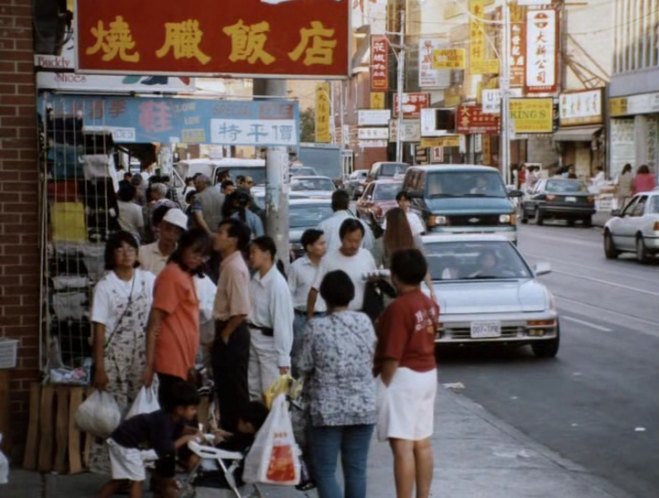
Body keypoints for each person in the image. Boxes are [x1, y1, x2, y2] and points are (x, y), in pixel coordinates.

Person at [298, 270, 377, 498]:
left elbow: (303, 365)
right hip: (363, 406)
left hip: (327, 410)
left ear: (324, 296)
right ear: (351, 295)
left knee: (325, 471)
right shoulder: (364, 322)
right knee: (356, 470)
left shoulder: (315, 327)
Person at [89, 231, 156, 475]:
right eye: (120, 249)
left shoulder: (148, 280)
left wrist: (151, 362)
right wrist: (99, 367)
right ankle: (116, 473)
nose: (126, 253)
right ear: (112, 255)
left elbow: (154, 324)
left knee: (141, 415)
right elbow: (99, 329)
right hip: (114, 358)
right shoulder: (105, 287)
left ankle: (138, 471)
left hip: (141, 357)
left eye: (131, 248)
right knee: (114, 418)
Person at [375, 249, 439, 498]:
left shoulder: (399, 308)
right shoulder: (428, 303)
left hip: (403, 377)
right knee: (422, 441)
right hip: (427, 373)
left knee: (401, 444)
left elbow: (392, 355)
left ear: (395, 276)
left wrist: (383, 385)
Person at [143, 228, 212, 408]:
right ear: (183, 248)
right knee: (174, 416)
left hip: (182, 359)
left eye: (202, 255)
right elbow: (154, 323)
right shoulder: (172, 275)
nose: (198, 259)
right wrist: (149, 365)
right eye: (195, 252)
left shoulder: (185, 274)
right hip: (171, 359)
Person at [98, 381, 201, 498]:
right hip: (126, 444)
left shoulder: (171, 418)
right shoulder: (163, 422)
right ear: (180, 409)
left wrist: (189, 431)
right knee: (138, 479)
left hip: (123, 440)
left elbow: (178, 429)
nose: (195, 412)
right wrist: (186, 438)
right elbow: (165, 448)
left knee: (120, 478)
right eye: (193, 408)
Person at [211, 218, 252, 432]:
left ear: (233, 240)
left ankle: (238, 435)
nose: (216, 236)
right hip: (226, 329)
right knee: (225, 389)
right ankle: (229, 432)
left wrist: (225, 334)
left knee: (234, 391)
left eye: (221, 233)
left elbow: (241, 310)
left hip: (232, 331)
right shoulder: (227, 264)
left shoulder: (235, 268)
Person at [246, 236, 294, 401]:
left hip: (270, 345)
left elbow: (283, 323)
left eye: (254, 252)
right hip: (252, 340)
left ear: (267, 254)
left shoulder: (277, 285)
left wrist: (283, 358)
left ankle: (276, 427)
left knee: (274, 396)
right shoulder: (254, 280)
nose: (250, 256)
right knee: (254, 392)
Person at [307, 219, 377, 317]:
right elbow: (314, 289)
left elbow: (375, 282)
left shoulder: (366, 256)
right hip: (335, 316)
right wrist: (310, 317)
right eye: (349, 241)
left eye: (357, 241)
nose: (353, 245)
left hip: (364, 313)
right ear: (341, 238)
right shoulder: (328, 259)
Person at [288, 229, 327, 371]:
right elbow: (289, 294)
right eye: (320, 243)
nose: (324, 246)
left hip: (323, 316)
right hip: (300, 318)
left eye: (324, 243)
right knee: (298, 355)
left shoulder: (327, 265)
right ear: (309, 247)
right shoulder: (296, 267)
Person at [380, 208, 435, 301]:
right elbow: (424, 269)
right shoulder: (414, 241)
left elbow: (372, 267)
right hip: (413, 293)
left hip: (390, 293)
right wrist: (431, 290)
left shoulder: (381, 243)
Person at [138, 207, 188, 275]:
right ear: (160, 227)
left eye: (176, 232)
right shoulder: (142, 252)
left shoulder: (184, 258)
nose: (171, 234)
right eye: (168, 229)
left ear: (180, 235)